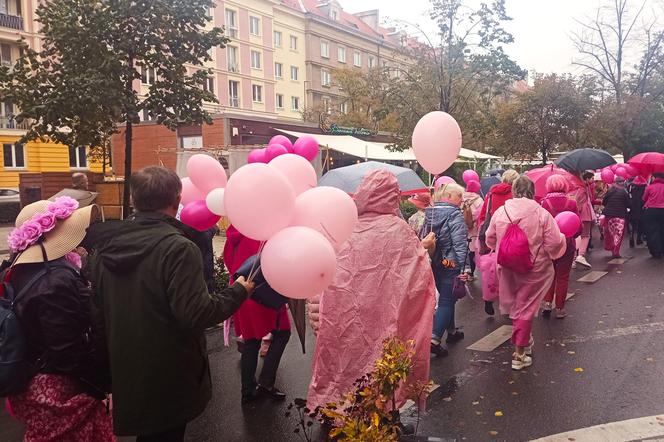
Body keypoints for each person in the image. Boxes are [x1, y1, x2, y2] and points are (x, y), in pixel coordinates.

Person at [86, 166, 254, 442]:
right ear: (177, 200)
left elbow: (98, 315)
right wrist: (238, 291)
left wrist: (106, 376)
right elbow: (197, 313)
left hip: (127, 368)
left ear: (133, 200)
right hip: (170, 372)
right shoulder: (178, 248)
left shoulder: (105, 246)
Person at [307, 170, 435, 411]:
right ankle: (377, 415)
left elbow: (326, 270)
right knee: (378, 369)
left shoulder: (344, 226)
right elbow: (419, 283)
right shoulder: (400, 231)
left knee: (343, 366)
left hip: (343, 319)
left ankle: (338, 410)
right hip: (384, 322)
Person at [5, 197, 114, 441]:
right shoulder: (56, 280)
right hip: (60, 387)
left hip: (32, 379)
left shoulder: (20, 271)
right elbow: (66, 351)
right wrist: (99, 388)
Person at [486, 176, 566, 370]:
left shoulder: (501, 211)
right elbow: (555, 242)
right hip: (533, 267)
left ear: (513, 190)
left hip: (506, 265)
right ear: (532, 191)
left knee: (517, 305)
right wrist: (561, 241)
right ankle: (519, 353)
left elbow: (489, 237)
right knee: (526, 307)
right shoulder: (541, 213)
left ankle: (525, 338)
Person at [223, 225, 291, 404]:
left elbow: (228, 259)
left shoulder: (236, 229)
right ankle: (266, 382)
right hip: (264, 290)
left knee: (251, 340)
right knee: (283, 332)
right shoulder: (269, 231)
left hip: (240, 289)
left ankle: (248, 390)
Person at [423, 183, 469, 357]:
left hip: (436, 261)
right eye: (459, 195)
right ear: (448, 196)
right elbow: (459, 242)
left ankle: (451, 331)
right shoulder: (454, 214)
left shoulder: (430, 212)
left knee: (446, 296)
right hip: (451, 263)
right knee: (447, 300)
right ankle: (434, 339)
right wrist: (465, 267)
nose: (461, 199)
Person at [540, 175, 579, 319]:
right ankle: (560, 308)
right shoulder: (571, 203)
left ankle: (547, 304)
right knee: (563, 277)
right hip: (567, 244)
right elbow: (578, 226)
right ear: (564, 186)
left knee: (549, 275)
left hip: (549, 245)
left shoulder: (543, 203)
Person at [602, 176, 630, 258]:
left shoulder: (610, 191)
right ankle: (616, 251)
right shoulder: (624, 192)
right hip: (620, 215)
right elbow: (628, 204)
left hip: (609, 215)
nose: (623, 183)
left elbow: (604, 202)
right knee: (619, 233)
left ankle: (612, 249)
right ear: (620, 183)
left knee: (611, 233)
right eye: (622, 182)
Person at [573, 171, 597, 268]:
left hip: (577, 215)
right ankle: (581, 255)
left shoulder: (575, 188)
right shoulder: (582, 189)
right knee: (585, 235)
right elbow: (581, 202)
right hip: (585, 214)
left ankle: (574, 259)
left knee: (576, 236)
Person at [461, 180, 483, 280]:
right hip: (473, 229)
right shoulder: (479, 200)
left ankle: (463, 271)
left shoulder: (461, 198)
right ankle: (471, 274)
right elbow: (481, 214)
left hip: (462, 227)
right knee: (473, 250)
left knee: (463, 249)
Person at [643, 172, 664, 259]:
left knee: (652, 231)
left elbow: (644, 198)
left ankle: (655, 251)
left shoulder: (649, 187)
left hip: (651, 211)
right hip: (663, 210)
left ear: (654, 178)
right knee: (662, 229)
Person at [627, 176, 648, 247]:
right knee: (641, 224)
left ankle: (631, 236)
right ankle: (639, 239)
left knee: (632, 223)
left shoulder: (630, 186)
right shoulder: (645, 186)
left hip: (632, 207)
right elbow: (646, 197)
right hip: (641, 207)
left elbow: (628, 195)